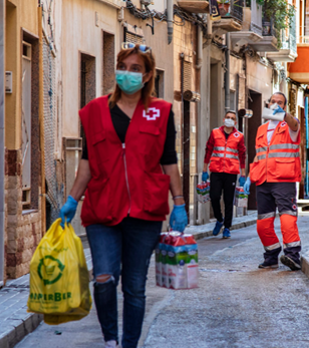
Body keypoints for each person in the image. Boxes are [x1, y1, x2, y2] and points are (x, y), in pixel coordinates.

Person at [59, 43, 188, 348]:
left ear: (146, 76)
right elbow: (87, 163)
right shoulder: (94, 111)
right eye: (123, 67)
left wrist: (179, 204)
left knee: (134, 287)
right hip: (102, 209)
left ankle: (128, 344)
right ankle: (110, 341)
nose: (127, 74)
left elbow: (169, 160)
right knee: (103, 278)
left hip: (146, 212)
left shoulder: (161, 111)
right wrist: (72, 200)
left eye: (135, 69)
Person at [244, 92, 302, 271]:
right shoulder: (261, 129)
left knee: (287, 219)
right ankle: (272, 254)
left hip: (284, 179)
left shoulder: (290, 125)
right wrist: (249, 177)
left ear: (284, 107)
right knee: (262, 224)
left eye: (280, 103)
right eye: (273, 102)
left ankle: (293, 255)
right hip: (262, 179)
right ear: (268, 104)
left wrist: (284, 115)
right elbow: (259, 156)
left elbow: (295, 123)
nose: (276, 104)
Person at [202, 111, 246, 239]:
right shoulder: (215, 132)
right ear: (223, 119)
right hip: (216, 170)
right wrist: (204, 169)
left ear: (235, 122)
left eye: (232, 118)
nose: (229, 120)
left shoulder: (239, 136)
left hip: (231, 172)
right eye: (228, 117)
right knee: (214, 196)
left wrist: (243, 174)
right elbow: (208, 150)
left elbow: (242, 155)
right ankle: (219, 219)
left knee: (228, 200)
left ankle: (227, 227)